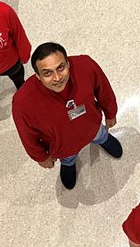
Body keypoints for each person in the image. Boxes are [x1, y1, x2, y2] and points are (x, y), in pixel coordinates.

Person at [11, 42, 122, 191]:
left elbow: (104, 90)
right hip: (63, 146)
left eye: (60, 68)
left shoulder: (86, 66)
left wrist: (111, 112)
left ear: (68, 63)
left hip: (92, 126)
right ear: (37, 76)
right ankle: (69, 163)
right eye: (47, 73)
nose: (57, 78)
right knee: (68, 157)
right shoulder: (22, 102)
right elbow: (27, 136)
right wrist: (41, 157)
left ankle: (104, 139)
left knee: (100, 134)